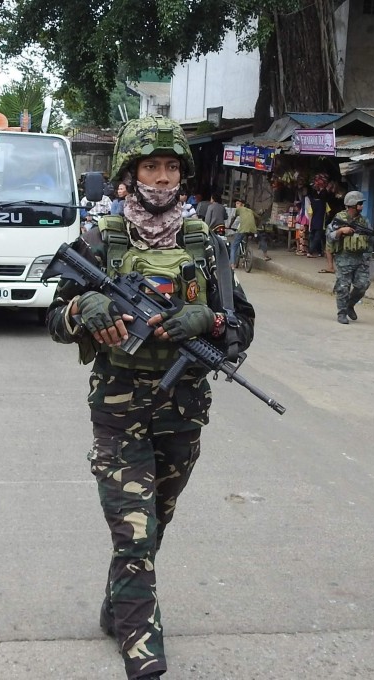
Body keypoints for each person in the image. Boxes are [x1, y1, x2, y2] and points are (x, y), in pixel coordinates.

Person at [46, 116, 255, 680]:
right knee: (133, 532)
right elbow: (54, 318)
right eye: (149, 167)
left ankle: (119, 603)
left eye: (169, 168)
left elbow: (242, 327)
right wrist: (82, 310)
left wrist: (208, 318)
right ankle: (143, 647)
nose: (161, 179)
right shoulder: (98, 241)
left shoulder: (207, 245)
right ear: (129, 175)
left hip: (183, 410)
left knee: (155, 522)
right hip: (118, 408)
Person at [326, 190, 374, 324]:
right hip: (344, 257)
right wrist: (340, 231)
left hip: (359, 258)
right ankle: (342, 313)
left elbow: (371, 238)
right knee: (343, 286)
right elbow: (329, 236)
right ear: (352, 205)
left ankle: (350, 305)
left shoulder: (363, 221)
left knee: (363, 284)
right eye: (359, 204)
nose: (361, 206)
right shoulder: (340, 218)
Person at [229, 198, 257, 269]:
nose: (236, 205)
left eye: (238, 203)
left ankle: (232, 264)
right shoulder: (250, 210)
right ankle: (246, 252)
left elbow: (233, 218)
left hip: (243, 229)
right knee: (244, 239)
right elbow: (258, 217)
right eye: (236, 203)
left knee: (234, 246)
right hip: (252, 230)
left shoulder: (239, 209)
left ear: (242, 205)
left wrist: (229, 226)